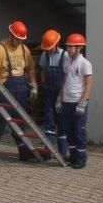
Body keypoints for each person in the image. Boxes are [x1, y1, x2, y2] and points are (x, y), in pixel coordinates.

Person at [0, 20, 40, 162]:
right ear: (11, 35)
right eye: (17, 39)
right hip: (2, 91)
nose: (19, 42)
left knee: (20, 122)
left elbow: (31, 68)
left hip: (21, 90)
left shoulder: (24, 49)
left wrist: (33, 85)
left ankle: (24, 152)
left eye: (21, 40)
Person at [57, 33, 93, 169]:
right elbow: (65, 81)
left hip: (78, 103)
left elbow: (89, 83)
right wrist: (59, 98)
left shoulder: (85, 63)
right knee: (69, 130)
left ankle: (81, 158)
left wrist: (83, 102)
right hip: (66, 102)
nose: (68, 49)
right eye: (68, 47)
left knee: (79, 131)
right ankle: (73, 156)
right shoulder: (67, 62)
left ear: (79, 48)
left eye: (70, 47)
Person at [37, 28, 67, 159]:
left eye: (50, 47)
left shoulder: (65, 55)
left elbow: (67, 76)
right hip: (49, 93)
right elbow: (43, 70)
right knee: (48, 122)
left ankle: (63, 151)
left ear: (56, 44)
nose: (48, 50)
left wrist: (62, 95)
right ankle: (47, 151)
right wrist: (43, 83)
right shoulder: (45, 55)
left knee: (61, 123)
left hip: (61, 94)